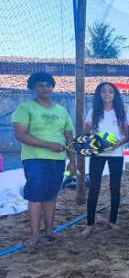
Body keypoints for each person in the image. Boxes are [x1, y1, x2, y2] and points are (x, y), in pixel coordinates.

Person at [11, 72, 76, 246]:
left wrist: (73, 161)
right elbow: (20, 135)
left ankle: (48, 230)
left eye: (48, 85)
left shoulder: (61, 111)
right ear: (33, 88)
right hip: (35, 159)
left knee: (51, 195)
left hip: (58, 160)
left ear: (53, 87)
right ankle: (34, 234)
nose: (45, 88)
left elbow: (69, 137)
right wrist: (48, 145)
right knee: (35, 195)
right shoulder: (25, 108)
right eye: (40, 85)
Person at [81, 82, 129, 237]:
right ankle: (89, 224)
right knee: (94, 188)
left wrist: (118, 144)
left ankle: (113, 221)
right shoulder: (93, 112)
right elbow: (86, 135)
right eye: (104, 91)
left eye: (110, 91)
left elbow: (127, 136)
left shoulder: (121, 113)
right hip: (97, 154)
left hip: (116, 154)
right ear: (99, 94)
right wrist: (95, 144)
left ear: (115, 94)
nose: (107, 94)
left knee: (114, 187)